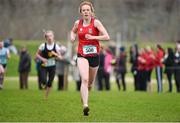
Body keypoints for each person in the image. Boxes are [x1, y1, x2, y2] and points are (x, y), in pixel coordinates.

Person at [70, 1, 110, 116]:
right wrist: (72, 37)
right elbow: (72, 31)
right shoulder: (78, 23)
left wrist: (93, 37)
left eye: (88, 10)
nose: (86, 12)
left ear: (91, 11)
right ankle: (85, 106)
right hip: (82, 54)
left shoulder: (96, 22)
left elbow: (107, 36)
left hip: (94, 56)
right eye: (84, 10)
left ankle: (85, 96)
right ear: (81, 12)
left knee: (90, 84)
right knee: (85, 79)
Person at [35, 30, 63, 99]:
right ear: (46, 38)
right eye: (48, 36)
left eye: (51, 36)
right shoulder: (42, 45)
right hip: (44, 66)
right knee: (44, 80)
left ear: (53, 37)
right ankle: (44, 84)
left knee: (50, 82)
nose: (49, 37)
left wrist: (55, 54)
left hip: (52, 66)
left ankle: (46, 97)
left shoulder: (56, 46)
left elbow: (60, 57)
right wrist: (42, 59)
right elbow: (36, 54)